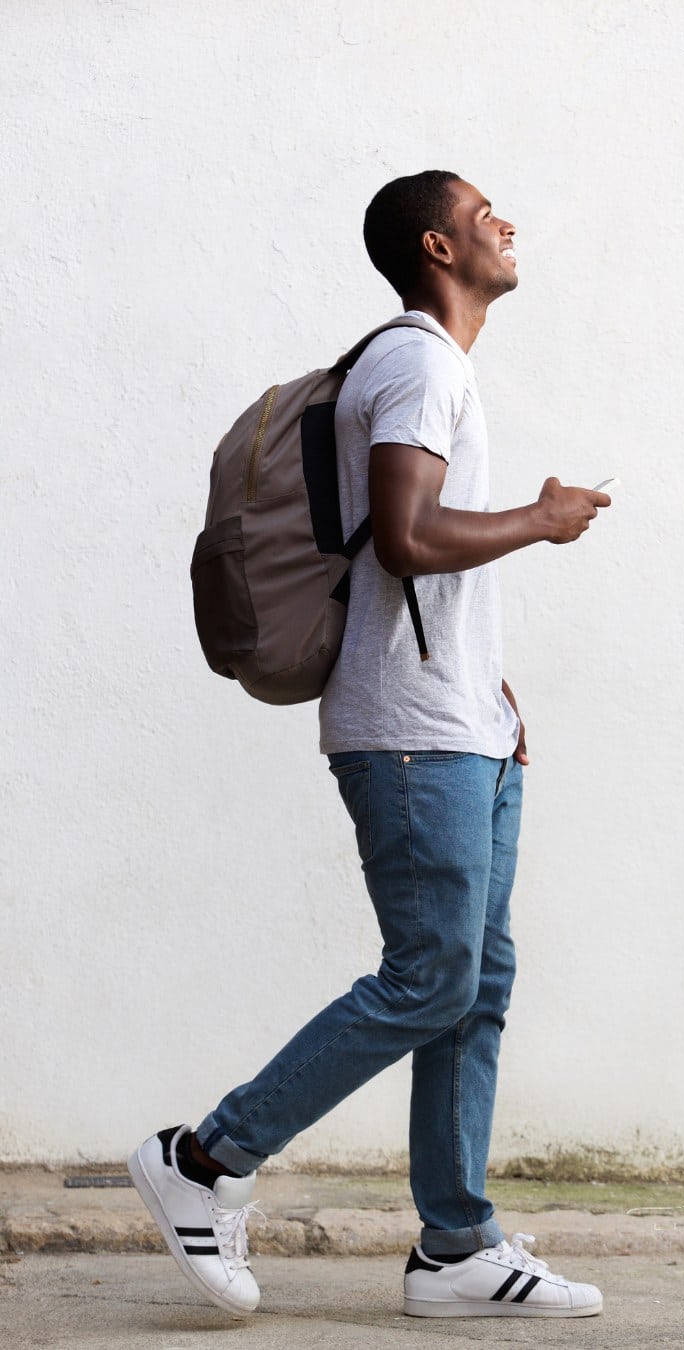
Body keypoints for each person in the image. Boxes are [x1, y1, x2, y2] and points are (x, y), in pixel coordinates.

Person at [129, 170, 610, 1320]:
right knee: (430, 976)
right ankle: (204, 1160)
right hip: (409, 736)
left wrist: (493, 695)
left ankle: (456, 1249)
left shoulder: (434, 367)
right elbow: (403, 538)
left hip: (463, 729)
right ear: (438, 246)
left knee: (474, 984)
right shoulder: (418, 361)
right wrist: (542, 522)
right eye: (484, 210)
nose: (508, 220)